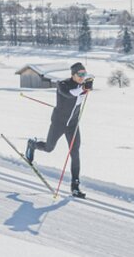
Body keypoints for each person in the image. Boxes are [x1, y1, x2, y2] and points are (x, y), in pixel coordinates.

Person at [25, 61, 93, 198]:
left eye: (84, 74)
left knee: (75, 153)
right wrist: (84, 89)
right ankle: (32, 144)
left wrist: (87, 87)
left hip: (73, 125)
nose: (82, 77)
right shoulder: (62, 85)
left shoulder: (82, 86)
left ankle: (75, 186)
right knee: (49, 148)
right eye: (80, 74)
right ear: (73, 74)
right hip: (59, 123)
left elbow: (80, 93)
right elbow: (70, 94)